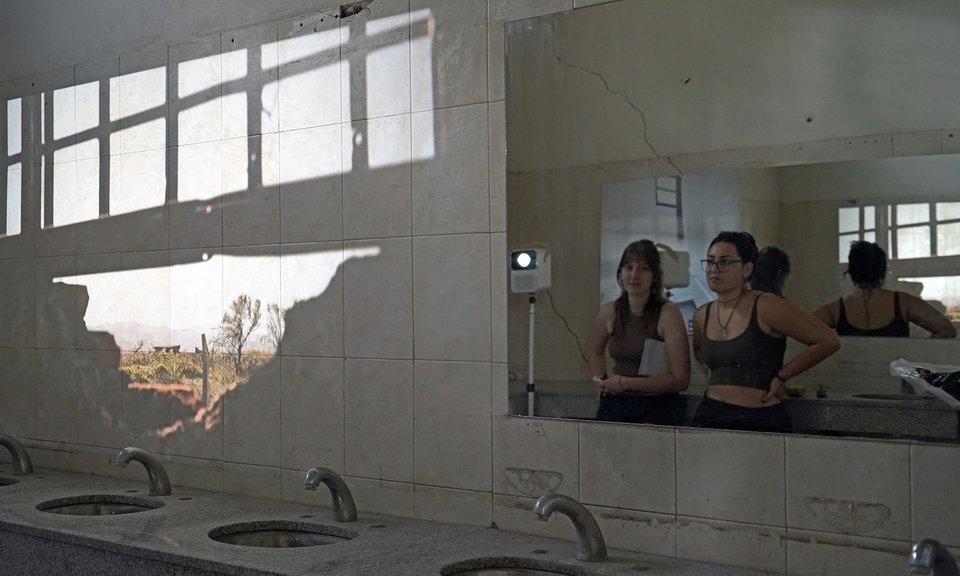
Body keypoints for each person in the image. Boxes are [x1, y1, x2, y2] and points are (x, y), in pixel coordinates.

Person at [691, 231, 840, 432]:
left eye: (724, 262)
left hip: (759, 417)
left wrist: (782, 376)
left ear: (747, 269)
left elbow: (828, 341)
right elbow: (698, 350)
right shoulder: (702, 314)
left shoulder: (767, 305)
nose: (714, 269)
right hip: (710, 413)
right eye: (710, 262)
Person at [587, 239, 691, 425]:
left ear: (654, 276)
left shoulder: (668, 313)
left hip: (657, 404)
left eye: (643, 269)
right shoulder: (609, 311)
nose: (634, 275)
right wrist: (599, 380)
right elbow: (594, 351)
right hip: (618, 402)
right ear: (620, 273)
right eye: (629, 268)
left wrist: (624, 383)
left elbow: (680, 379)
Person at [814, 241, 956, 338]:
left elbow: (804, 333)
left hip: (850, 370)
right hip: (895, 371)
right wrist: (918, 354)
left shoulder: (834, 309)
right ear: (883, 272)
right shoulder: (904, 302)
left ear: (851, 272)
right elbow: (947, 330)